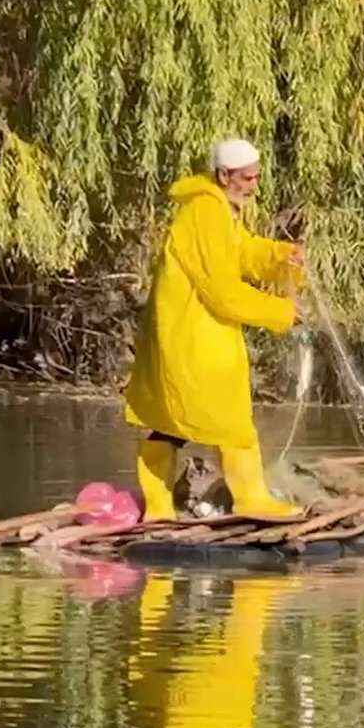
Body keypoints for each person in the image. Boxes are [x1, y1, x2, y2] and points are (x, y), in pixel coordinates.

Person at [125, 138, 305, 521]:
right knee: (230, 424)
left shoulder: (220, 209)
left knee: (169, 421)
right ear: (224, 175)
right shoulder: (205, 213)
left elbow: (240, 251)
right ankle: (249, 500)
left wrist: (278, 256)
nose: (254, 184)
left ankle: (159, 508)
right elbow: (222, 291)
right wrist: (280, 311)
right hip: (193, 338)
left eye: (256, 176)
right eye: (247, 177)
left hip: (194, 335)